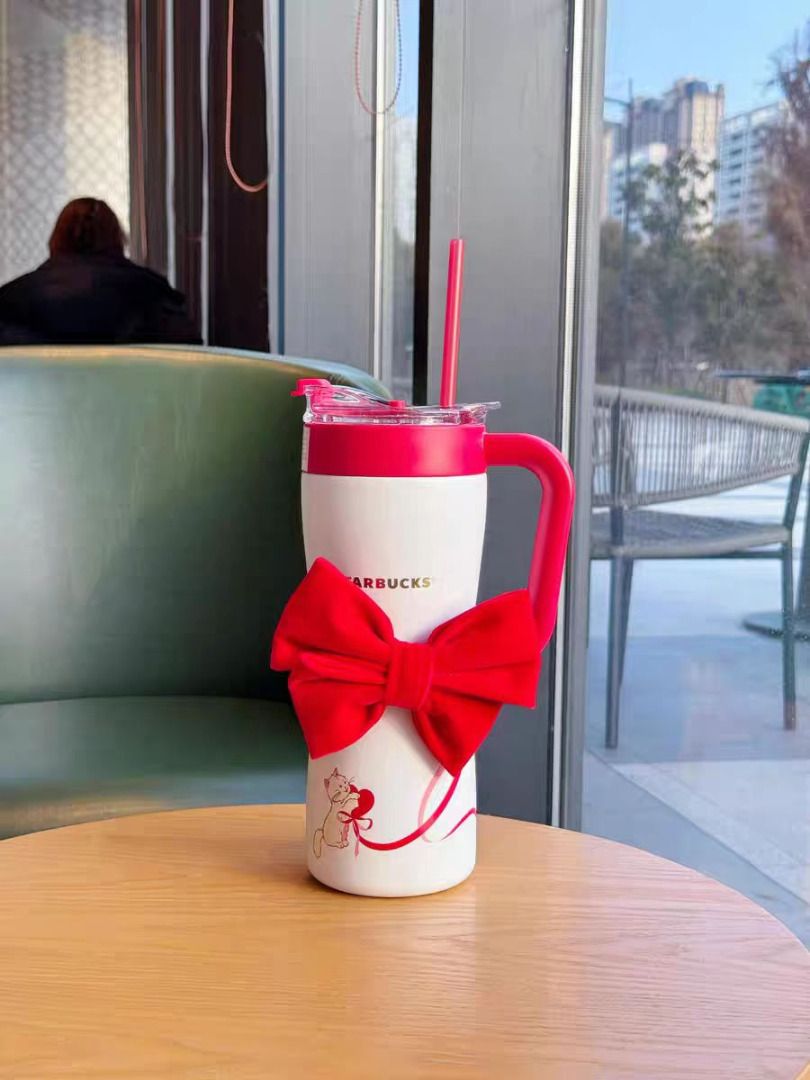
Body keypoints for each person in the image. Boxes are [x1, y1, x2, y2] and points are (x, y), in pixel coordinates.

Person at [0, 198, 201, 346]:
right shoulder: (150, 293)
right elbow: (189, 355)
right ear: (117, 239)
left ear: (56, 239)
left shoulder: (11, 301)